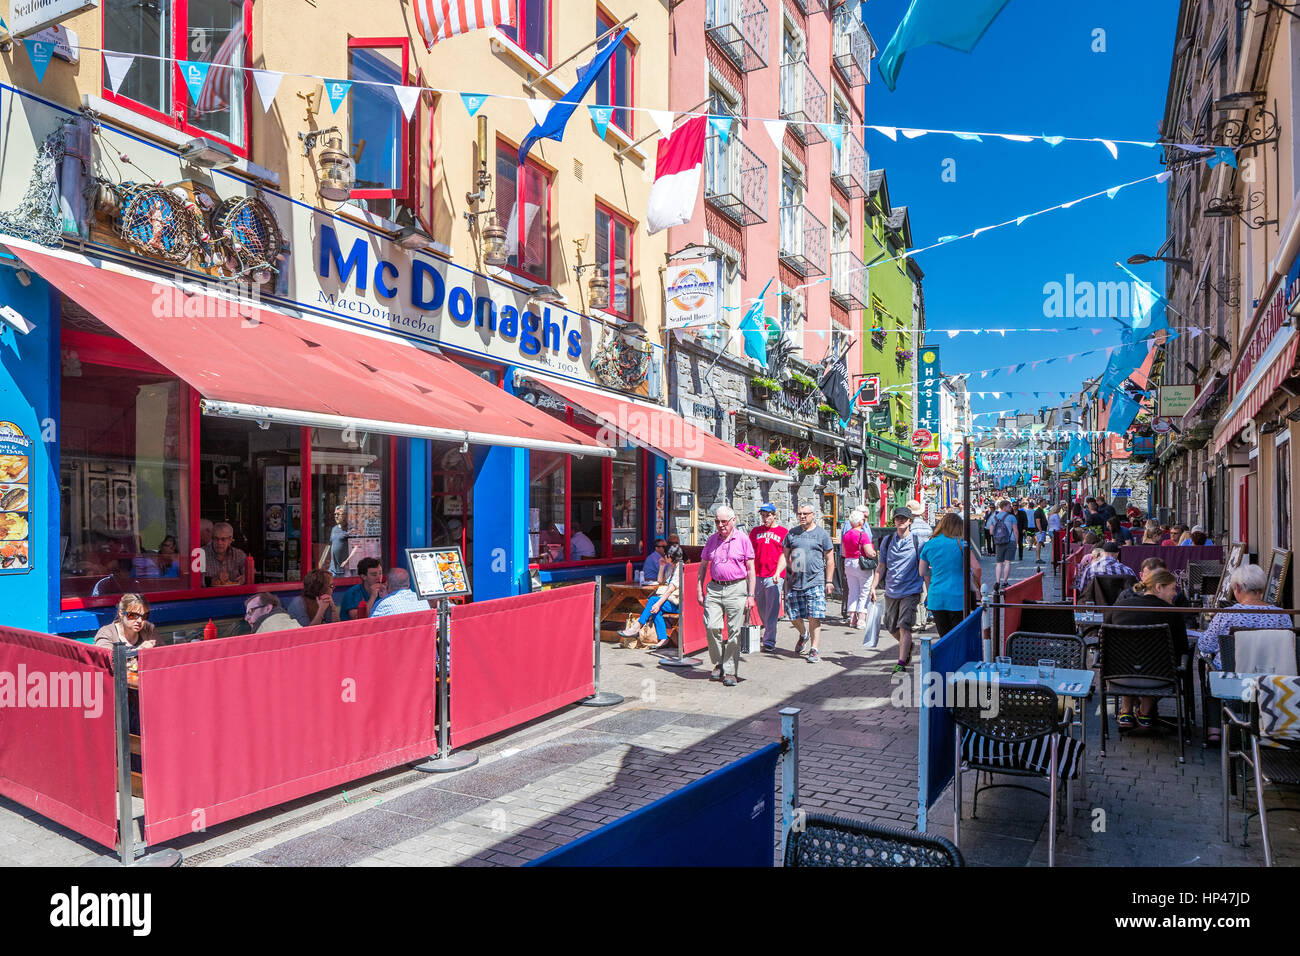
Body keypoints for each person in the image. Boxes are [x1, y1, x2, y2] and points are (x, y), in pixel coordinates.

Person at [1111, 569, 1187, 730]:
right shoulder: (1172, 613)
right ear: (1159, 587)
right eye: (1173, 588)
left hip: (1119, 676)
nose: (1175, 594)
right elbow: (1182, 648)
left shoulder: (1120, 606)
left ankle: (1125, 711)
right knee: (1158, 658)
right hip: (1159, 678)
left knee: (1131, 654)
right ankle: (1145, 713)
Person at [698, 506, 755, 687]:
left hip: (736, 588)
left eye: (724, 521)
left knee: (734, 632)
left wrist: (751, 595)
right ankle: (718, 661)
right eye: (717, 521)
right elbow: (703, 566)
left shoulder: (743, 540)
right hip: (714, 588)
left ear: (733, 520)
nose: (720, 525)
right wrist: (699, 589)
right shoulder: (712, 540)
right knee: (712, 626)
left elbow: (751, 570)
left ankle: (730, 671)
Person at [870, 507, 927, 674]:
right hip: (891, 590)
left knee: (904, 626)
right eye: (898, 518)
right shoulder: (887, 541)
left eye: (904, 518)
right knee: (890, 626)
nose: (900, 521)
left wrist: (929, 592)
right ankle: (907, 645)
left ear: (910, 521)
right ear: (894, 521)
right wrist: (873, 587)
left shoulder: (918, 543)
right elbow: (881, 567)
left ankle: (901, 662)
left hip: (911, 591)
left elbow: (925, 570)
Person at [783, 503, 836, 664]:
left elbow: (830, 559)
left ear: (813, 515)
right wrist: (782, 574)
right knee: (793, 615)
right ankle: (803, 634)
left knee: (815, 615)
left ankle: (814, 649)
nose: (802, 516)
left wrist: (829, 581)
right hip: (795, 581)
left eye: (805, 513)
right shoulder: (792, 534)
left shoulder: (822, 535)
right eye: (799, 513)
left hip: (816, 581)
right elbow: (785, 556)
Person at [919, 513, 982, 637]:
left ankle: (947, 657)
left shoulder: (930, 544)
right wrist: (977, 583)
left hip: (936, 596)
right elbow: (977, 568)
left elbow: (922, 571)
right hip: (958, 596)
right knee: (959, 636)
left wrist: (937, 572)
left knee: (944, 637)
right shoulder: (961, 543)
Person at [619, 544, 684, 649]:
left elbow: (670, 590)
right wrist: (662, 566)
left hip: (678, 604)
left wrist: (658, 603)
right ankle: (663, 638)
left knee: (653, 601)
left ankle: (637, 627)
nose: (663, 557)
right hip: (670, 601)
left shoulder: (680, 568)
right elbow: (660, 581)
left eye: (665, 555)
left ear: (670, 556)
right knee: (654, 609)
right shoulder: (671, 567)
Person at [748, 504, 789, 652]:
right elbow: (750, 551)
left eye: (767, 515)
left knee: (772, 609)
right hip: (758, 574)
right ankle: (768, 630)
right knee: (761, 608)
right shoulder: (755, 532)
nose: (765, 519)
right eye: (763, 515)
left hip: (774, 576)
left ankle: (769, 639)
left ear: (774, 515)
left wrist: (779, 572)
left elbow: (785, 554)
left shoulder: (783, 532)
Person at [841, 509, 877, 631]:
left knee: (853, 591)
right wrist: (874, 553)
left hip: (849, 563)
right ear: (860, 522)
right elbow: (869, 553)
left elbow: (844, 552)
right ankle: (861, 618)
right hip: (861, 564)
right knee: (864, 591)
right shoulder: (863, 534)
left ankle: (852, 618)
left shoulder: (846, 535)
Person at [94, 593, 159, 649]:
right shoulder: (107, 633)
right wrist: (139, 651)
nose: (140, 620)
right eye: (133, 615)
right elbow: (107, 659)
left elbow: (163, 655)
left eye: (144, 616)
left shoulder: (148, 628)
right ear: (121, 614)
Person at [203, 521, 248, 587]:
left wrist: (245, 577)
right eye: (216, 539)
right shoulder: (201, 554)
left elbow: (251, 573)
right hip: (208, 595)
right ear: (212, 539)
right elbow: (195, 581)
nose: (219, 543)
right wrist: (213, 579)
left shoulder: (239, 554)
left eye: (223, 539)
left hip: (234, 594)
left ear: (230, 540)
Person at [987, 499, 1018, 586]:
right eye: (1009, 506)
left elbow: (991, 532)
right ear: (1004, 507)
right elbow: (1015, 531)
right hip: (1010, 541)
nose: (1011, 508)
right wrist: (1016, 542)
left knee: (999, 563)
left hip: (999, 542)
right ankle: (1005, 582)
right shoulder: (1012, 517)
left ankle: (997, 581)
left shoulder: (994, 518)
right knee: (1007, 562)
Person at [329, 506, 353, 576]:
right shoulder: (334, 529)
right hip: (333, 570)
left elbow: (357, 547)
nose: (336, 516)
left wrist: (347, 561)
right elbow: (331, 545)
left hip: (345, 571)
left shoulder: (351, 529)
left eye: (338, 514)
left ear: (346, 515)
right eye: (335, 514)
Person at [1032, 499, 1049, 565]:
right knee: (1038, 543)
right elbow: (1037, 521)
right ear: (1040, 503)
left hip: (1042, 530)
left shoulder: (1041, 510)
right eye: (1044, 503)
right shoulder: (1038, 511)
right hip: (1040, 530)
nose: (1045, 504)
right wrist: (1040, 529)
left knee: (1040, 543)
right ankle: (1038, 558)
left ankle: (1038, 558)